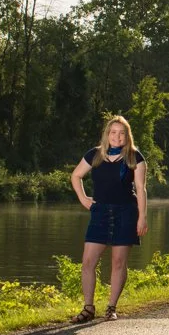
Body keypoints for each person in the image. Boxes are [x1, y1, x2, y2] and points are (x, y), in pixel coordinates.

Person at [68, 114, 148, 323]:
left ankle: (111, 307)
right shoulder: (95, 155)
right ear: (107, 134)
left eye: (122, 133)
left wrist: (142, 218)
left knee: (118, 262)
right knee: (87, 262)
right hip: (100, 213)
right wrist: (84, 199)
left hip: (126, 213)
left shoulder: (134, 157)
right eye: (113, 132)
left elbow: (140, 189)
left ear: (127, 136)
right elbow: (76, 176)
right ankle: (88, 308)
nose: (117, 137)